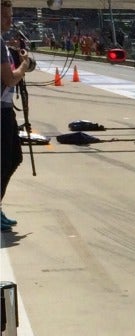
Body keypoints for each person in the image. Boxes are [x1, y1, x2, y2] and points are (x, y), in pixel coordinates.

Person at [1, 0, 31, 232]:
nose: (9, 21)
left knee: (11, 158)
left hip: (5, 107)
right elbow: (10, 79)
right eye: (4, 16)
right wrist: (23, 65)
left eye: (10, 16)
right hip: (1, 110)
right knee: (9, 159)